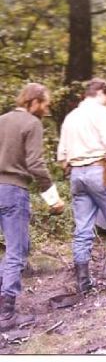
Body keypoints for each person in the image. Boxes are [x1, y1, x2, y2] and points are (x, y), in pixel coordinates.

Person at [57, 77, 106, 293]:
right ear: (103, 92)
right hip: (97, 171)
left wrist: (77, 167)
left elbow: (62, 158)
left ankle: (83, 282)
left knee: (82, 229)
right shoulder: (101, 112)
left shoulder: (71, 117)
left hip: (76, 175)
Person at [0, 83, 65, 330]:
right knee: (16, 252)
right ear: (34, 101)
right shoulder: (31, 124)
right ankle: (6, 316)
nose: (46, 110)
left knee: (14, 250)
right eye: (45, 104)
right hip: (13, 192)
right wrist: (53, 199)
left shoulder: (2, 119)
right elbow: (36, 164)